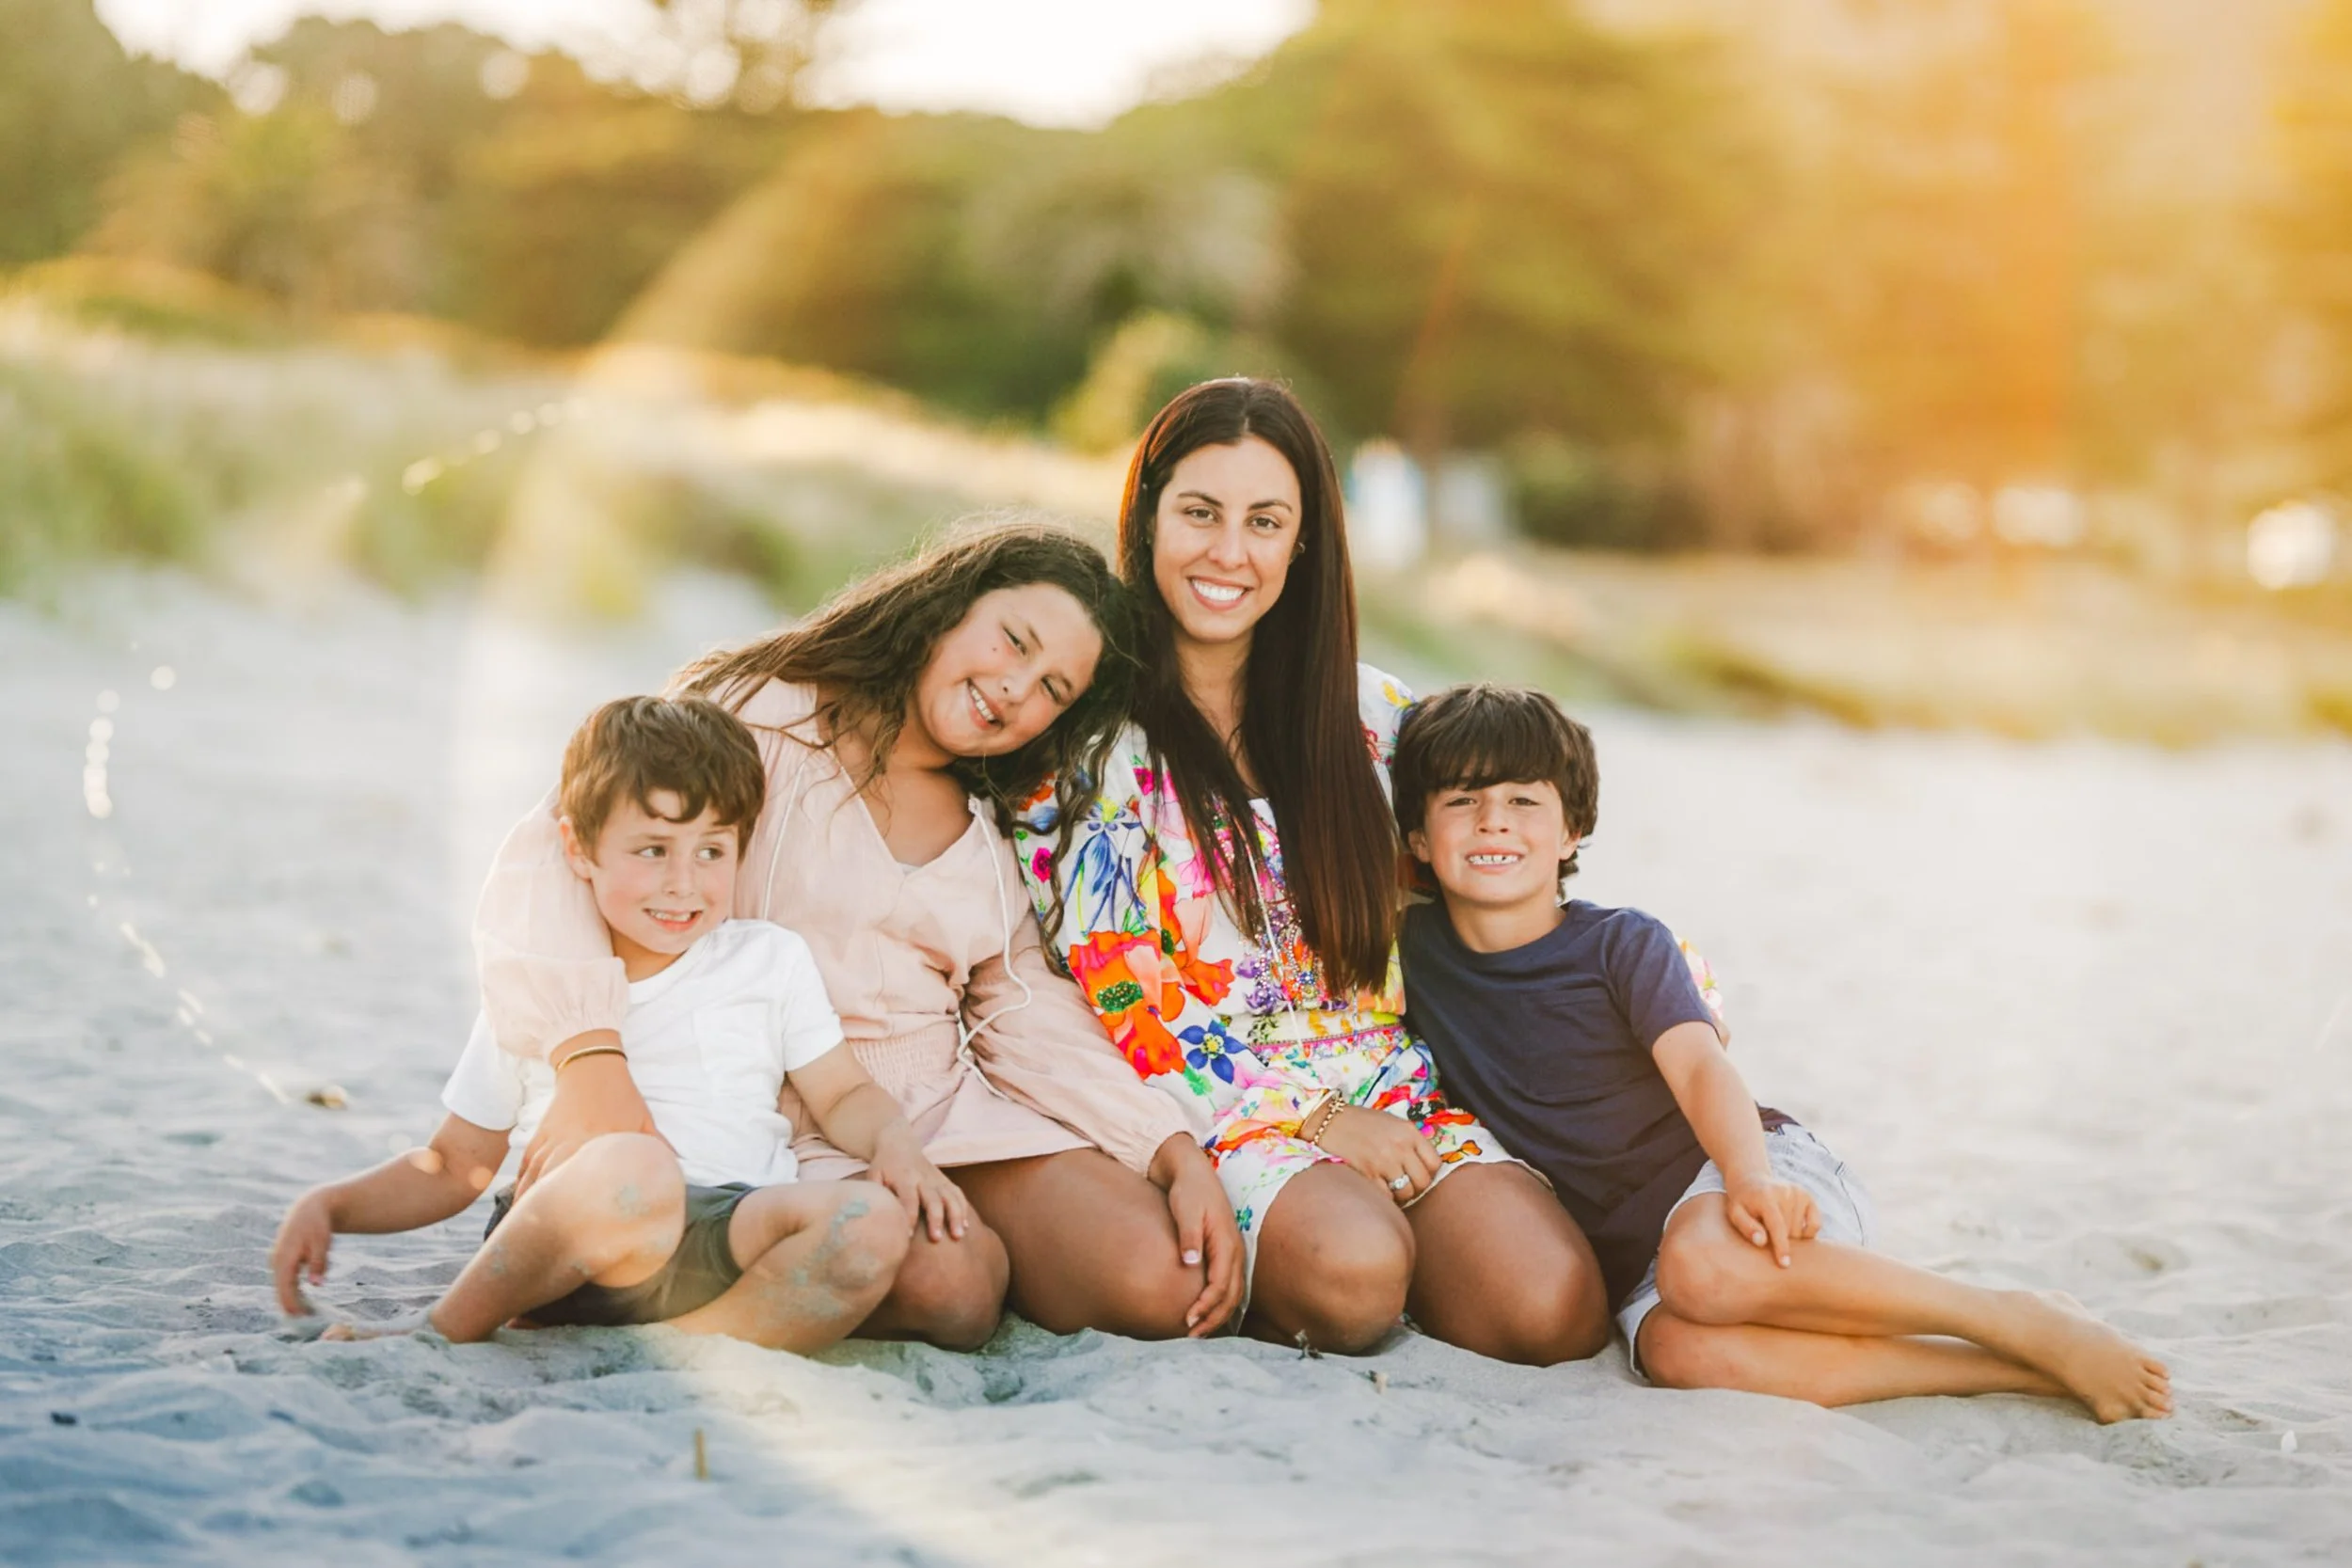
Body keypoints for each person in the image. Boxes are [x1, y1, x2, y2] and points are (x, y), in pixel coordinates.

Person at [473, 523, 1245, 1347]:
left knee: (1169, 1280)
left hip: (936, 1103)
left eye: (1054, 688)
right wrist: (589, 1054)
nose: (1017, 688)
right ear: (950, 604)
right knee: (954, 1284)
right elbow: (557, 847)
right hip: (766, 1099)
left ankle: (949, 1251)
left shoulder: (1002, 821)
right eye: (1012, 641)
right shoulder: (763, 713)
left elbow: (1024, 1012)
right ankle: (764, 1301)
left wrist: (1167, 1148)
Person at [1390, 682, 2174, 1421]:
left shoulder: (1622, 943)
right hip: (1641, 1261)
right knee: (1673, 1350)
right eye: (1463, 800)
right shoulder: (1409, 955)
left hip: (1742, 1169)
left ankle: (2006, 1313)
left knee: (1701, 1265)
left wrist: (1748, 1177)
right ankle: (2018, 1366)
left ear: (1571, 831)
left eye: (1523, 800)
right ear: (1420, 837)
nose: (1493, 820)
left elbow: (1701, 1065)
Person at [1017, 380, 1606, 1363]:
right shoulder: (1088, 744)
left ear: (1302, 542)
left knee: (1550, 1306)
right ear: (1148, 513)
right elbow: (1124, 994)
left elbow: (1498, 882)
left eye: (1264, 521)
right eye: (1199, 513)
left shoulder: (1378, 720)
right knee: (1354, 1275)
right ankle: (1303, 1253)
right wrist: (1323, 1120)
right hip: (1221, 1108)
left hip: (1399, 1092)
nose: (1227, 552)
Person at [271, 695, 952, 1348]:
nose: (684, 882)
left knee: (870, 1223)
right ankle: (442, 1330)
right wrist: (335, 1205)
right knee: (638, 1166)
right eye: (652, 850)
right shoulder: (542, 984)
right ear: (578, 847)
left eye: (711, 850)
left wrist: (894, 1140)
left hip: (720, 1234)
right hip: (571, 1238)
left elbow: (841, 1094)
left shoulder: (769, 960)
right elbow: (455, 1164)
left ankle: (689, 1349)